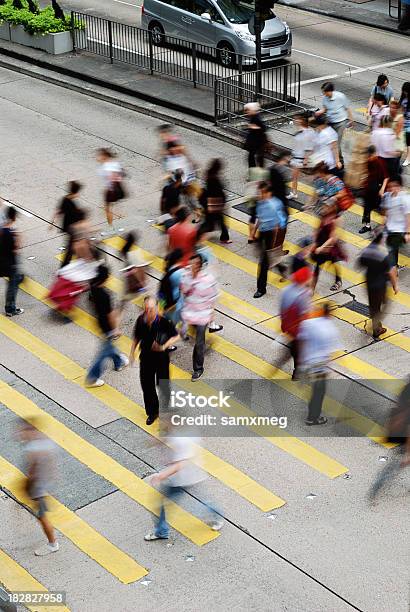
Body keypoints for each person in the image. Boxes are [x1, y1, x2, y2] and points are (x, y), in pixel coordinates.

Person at [144, 421, 223, 541]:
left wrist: (160, 476)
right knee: (200, 500)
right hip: (187, 476)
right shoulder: (177, 431)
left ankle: (161, 531)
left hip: (184, 478)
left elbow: (179, 465)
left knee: (161, 505)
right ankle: (216, 516)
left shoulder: (181, 440)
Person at [130, 296, 179, 424]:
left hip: (161, 359)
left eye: (151, 309)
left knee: (163, 385)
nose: (149, 311)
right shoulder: (141, 320)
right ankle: (152, 412)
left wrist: (163, 346)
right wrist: (132, 353)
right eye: (146, 309)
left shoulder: (164, 321)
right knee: (147, 386)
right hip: (146, 358)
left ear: (157, 308)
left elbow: (175, 336)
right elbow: (136, 337)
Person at [19, 418, 59, 556]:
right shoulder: (44, 443)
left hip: (38, 488)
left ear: (32, 431)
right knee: (41, 513)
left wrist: (29, 486)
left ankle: (53, 544)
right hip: (42, 485)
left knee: (42, 516)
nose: (21, 434)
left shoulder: (34, 449)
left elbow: (33, 472)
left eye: (23, 431)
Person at [85, 265, 129, 388]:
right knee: (104, 352)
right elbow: (110, 315)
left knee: (109, 346)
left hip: (99, 322)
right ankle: (92, 378)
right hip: (107, 326)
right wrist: (115, 329)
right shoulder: (105, 295)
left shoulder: (92, 287)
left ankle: (118, 362)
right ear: (106, 278)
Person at [298, 303, 340, 426]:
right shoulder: (331, 329)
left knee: (315, 390)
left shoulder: (309, 323)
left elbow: (302, 341)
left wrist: (301, 361)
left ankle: (312, 414)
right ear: (330, 314)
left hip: (308, 361)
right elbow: (331, 351)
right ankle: (313, 418)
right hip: (320, 365)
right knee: (319, 392)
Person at [369, 378, 410, 501]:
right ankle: (378, 484)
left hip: (398, 433)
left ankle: (378, 484)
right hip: (403, 435)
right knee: (397, 462)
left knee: (396, 461)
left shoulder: (405, 390)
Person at [181, 253, 219, 381]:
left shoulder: (208, 280)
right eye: (191, 263)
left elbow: (213, 297)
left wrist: (211, 315)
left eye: (195, 264)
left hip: (203, 315)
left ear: (200, 266)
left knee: (198, 341)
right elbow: (183, 293)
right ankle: (203, 348)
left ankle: (198, 369)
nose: (192, 266)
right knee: (194, 339)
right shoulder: (185, 277)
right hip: (189, 314)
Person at [358, 231, 398, 339]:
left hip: (369, 282)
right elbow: (391, 271)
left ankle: (377, 326)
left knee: (373, 305)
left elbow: (360, 263)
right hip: (380, 284)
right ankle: (376, 326)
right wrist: (395, 285)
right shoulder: (383, 252)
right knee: (386, 304)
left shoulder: (367, 250)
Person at [253, 181, 288, 298]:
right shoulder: (260, 203)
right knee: (268, 258)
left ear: (269, 193)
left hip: (272, 234)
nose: (261, 195)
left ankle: (261, 289)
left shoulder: (275, 205)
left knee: (263, 262)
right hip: (262, 232)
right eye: (260, 193)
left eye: (263, 193)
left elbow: (281, 224)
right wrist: (254, 232)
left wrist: (275, 242)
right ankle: (282, 268)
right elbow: (259, 218)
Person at [279, 266, 312, 379]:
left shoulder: (285, 290)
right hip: (299, 328)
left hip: (287, 324)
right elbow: (305, 313)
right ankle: (298, 370)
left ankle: (293, 356)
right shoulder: (303, 294)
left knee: (294, 346)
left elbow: (281, 309)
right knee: (300, 348)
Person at [311, 204, 346, 292]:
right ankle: (311, 289)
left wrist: (321, 248)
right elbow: (318, 229)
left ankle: (338, 281)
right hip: (321, 244)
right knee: (318, 267)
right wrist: (315, 240)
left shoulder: (334, 220)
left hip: (329, 248)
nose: (324, 208)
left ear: (332, 208)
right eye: (324, 206)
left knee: (334, 263)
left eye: (326, 207)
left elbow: (332, 238)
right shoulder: (323, 217)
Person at [316, 82, 353, 161]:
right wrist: (319, 112)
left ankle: (339, 160)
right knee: (329, 141)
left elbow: (347, 108)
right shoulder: (325, 98)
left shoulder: (340, 96)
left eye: (325, 92)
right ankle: (331, 158)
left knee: (337, 142)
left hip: (340, 122)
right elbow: (325, 109)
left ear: (330, 91)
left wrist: (351, 119)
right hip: (330, 122)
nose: (324, 94)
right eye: (323, 92)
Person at [50, 181, 83, 268]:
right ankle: (64, 267)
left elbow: (58, 212)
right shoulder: (72, 203)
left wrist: (52, 223)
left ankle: (73, 261)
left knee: (73, 246)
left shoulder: (65, 199)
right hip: (72, 229)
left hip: (69, 228)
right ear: (76, 191)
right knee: (71, 249)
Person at [381, 176, 410, 269]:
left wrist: (407, 233)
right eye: (390, 186)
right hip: (389, 228)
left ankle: (392, 270)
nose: (392, 188)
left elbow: (408, 216)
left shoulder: (404, 199)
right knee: (392, 250)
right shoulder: (387, 196)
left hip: (399, 230)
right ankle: (394, 266)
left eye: (395, 186)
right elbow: (384, 211)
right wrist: (384, 221)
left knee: (391, 251)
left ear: (399, 186)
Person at [200, 158, 231, 244]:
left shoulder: (209, 173)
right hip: (216, 203)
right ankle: (224, 238)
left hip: (209, 202)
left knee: (210, 221)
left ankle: (201, 231)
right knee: (220, 221)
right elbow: (218, 191)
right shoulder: (215, 178)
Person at [0, 206, 24, 317]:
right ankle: (10, 309)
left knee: (18, 279)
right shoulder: (11, 234)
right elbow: (16, 251)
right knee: (13, 286)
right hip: (9, 264)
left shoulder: (2, 229)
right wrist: (19, 238)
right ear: (14, 218)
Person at [359, 146, 389, 234]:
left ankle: (387, 226)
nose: (368, 158)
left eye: (370, 156)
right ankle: (367, 226)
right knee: (367, 207)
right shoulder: (369, 161)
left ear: (374, 154)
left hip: (378, 188)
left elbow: (386, 177)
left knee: (381, 209)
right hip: (369, 188)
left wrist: (382, 190)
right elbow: (369, 173)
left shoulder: (380, 162)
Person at [96, 148, 125, 235]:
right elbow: (121, 174)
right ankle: (119, 216)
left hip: (111, 190)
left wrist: (109, 189)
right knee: (111, 206)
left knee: (107, 209)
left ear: (104, 156)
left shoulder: (104, 167)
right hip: (119, 188)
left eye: (99, 156)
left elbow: (110, 178)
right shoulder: (115, 163)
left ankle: (111, 228)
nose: (98, 157)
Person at [119, 232, 148, 315]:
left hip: (128, 279)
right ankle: (144, 313)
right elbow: (137, 271)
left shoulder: (125, 250)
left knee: (126, 297)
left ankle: (120, 310)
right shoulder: (134, 254)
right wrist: (142, 283)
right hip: (135, 281)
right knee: (140, 298)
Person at [289, 114, 315, 200]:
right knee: (294, 176)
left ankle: (294, 193)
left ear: (302, 121)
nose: (295, 120)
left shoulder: (309, 132)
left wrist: (306, 158)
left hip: (303, 158)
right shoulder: (301, 130)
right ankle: (294, 192)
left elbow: (310, 147)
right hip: (297, 156)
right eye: (295, 119)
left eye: (297, 119)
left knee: (314, 177)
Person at [244, 102, 267, 168]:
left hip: (258, 141)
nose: (247, 112)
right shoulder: (252, 117)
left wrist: (254, 127)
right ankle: (255, 171)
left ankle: (256, 172)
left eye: (248, 110)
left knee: (255, 157)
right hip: (254, 142)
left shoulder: (257, 118)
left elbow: (264, 128)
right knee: (253, 157)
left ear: (252, 110)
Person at [399, 82, 410, 167]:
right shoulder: (403, 99)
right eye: (404, 91)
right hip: (404, 123)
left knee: (408, 143)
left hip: (409, 125)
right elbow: (401, 111)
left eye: (406, 91)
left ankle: (408, 158)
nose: (404, 93)